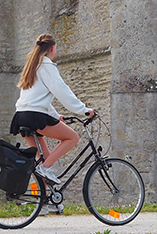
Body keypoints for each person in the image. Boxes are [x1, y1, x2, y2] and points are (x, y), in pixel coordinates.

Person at [9, 34, 94, 188]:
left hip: (21, 116)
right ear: (52, 48)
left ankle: (47, 202)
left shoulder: (32, 66)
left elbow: (37, 99)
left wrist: (55, 116)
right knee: (72, 138)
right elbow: (62, 91)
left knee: (45, 158)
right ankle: (45, 169)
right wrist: (84, 110)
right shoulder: (47, 66)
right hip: (35, 116)